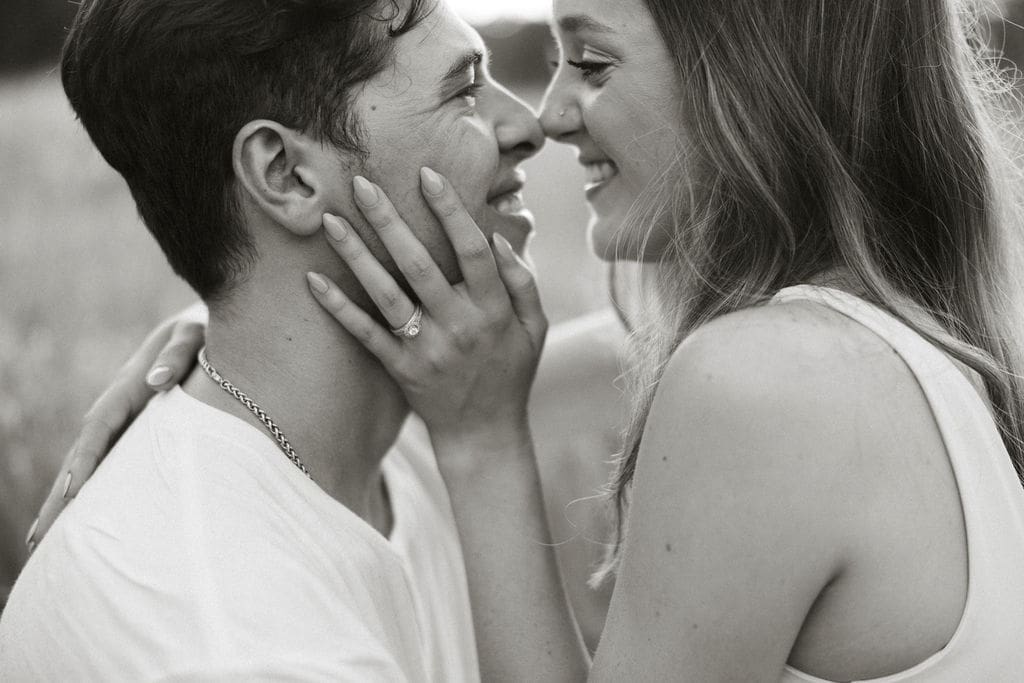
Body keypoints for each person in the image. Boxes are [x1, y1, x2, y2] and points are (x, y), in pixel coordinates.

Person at [298, 0, 1024, 680]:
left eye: (590, 64)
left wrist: (482, 442)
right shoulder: (897, 347)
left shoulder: (766, 379)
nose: (548, 115)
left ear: (747, 73)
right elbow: (594, 358)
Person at [0, 0, 589, 679]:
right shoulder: (225, 640)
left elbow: (664, 362)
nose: (527, 124)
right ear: (285, 174)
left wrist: (222, 318)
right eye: (462, 89)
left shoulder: (422, 416)